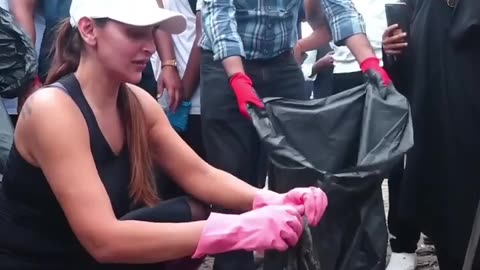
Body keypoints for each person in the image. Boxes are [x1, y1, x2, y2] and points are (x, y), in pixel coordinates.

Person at [0, 0, 329, 269]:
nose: (150, 48)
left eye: (151, 34)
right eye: (135, 34)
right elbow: (104, 241)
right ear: (88, 29)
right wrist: (238, 230)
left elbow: (200, 173)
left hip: (84, 254)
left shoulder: (136, 102)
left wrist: (272, 199)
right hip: (41, 260)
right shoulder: (52, 110)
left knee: (196, 208)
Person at [199, 0, 391, 269]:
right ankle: (233, 262)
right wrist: (238, 78)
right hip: (225, 64)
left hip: (281, 64)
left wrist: (369, 62)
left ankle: (288, 262)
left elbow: (339, 8)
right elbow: (219, 17)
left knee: (296, 173)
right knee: (232, 174)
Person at [383, 0, 480, 268]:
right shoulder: (424, 6)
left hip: (470, 130)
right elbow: (408, 79)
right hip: (437, 135)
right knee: (449, 232)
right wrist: (393, 51)